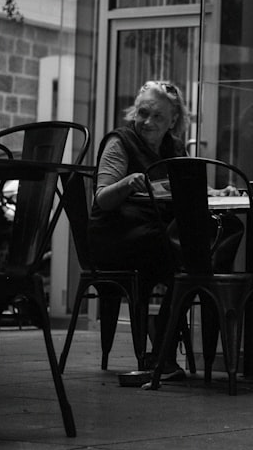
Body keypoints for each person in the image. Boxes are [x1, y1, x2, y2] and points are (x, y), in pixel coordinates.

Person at [88, 80, 237, 380]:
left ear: (173, 121)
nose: (147, 122)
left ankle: (162, 345)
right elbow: (101, 198)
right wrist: (127, 182)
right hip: (117, 235)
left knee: (220, 234)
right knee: (185, 256)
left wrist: (217, 193)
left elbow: (186, 188)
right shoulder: (121, 142)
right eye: (143, 113)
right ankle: (163, 349)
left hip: (153, 233)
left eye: (157, 117)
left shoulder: (175, 147)